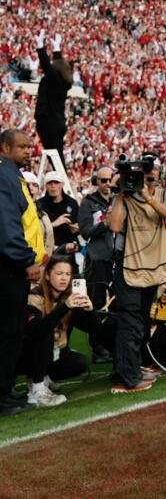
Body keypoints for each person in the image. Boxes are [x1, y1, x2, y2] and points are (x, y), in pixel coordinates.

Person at [105, 162, 166, 393]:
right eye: (143, 177)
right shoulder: (125, 196)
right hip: (128, 267)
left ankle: (130, 367)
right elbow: (114, 225)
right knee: (130, 322)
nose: (146, 182)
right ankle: (128, 378)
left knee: (142, 322)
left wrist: (147, 196)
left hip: (153, 267)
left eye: (151, 178)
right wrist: (120, 194)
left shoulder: (165, 195)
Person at [0, 129, 47, 415]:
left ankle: (5, 388)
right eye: (22, 147)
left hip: (11, 267)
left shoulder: (11, 175)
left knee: (12, 331)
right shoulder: (4, 176)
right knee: (8, 332)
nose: (28, 151)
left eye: (29, 146)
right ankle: (1, 395)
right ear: (5, 148)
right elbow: (7, 226)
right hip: (9, 268)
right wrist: (26, 260)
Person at [20, 255, 98, 407]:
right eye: (59, 273)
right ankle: (37, 387)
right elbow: (37, 331)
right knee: (46, 330)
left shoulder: (69, 298)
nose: (64, 278)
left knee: (79, 363)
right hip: (25, 356)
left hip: (52, 354)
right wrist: (64, 307)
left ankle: (44, 377)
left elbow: (94, 330)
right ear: (48, 275)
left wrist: (90, 311)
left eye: (68, 274)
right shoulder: (34, 297)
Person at [77, 164, 117, 363]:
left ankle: (115, 343)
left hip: (119, 258)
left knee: (119, 302)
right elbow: (85, 232)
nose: (107, 183)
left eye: (111, 179)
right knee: (97, 303)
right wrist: (105, 224)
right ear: (96, 182)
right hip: (98, 259)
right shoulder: (88, 203)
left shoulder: (120, 200)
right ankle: (98, 348)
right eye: (103, 180)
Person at [33, 31, 72, 156]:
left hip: (49, 122)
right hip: (57, 122)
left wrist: (40, 47)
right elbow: (59, 64)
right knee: (57, 155)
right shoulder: (63, 82)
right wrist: (56, 48)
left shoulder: (54, 80)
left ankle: (60, 171)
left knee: (54, 156)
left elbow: (46, 65)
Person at [38, 171, 80, 260]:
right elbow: (36, 230)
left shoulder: (71, 202)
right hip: (47, 251)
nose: (53, 186)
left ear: (62, 184)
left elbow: (79, 225)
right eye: (50, 183)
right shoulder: (39, 204)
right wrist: (54, 224)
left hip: (68, 251)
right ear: (46, 186)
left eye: (56, 182)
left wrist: (76, 228)